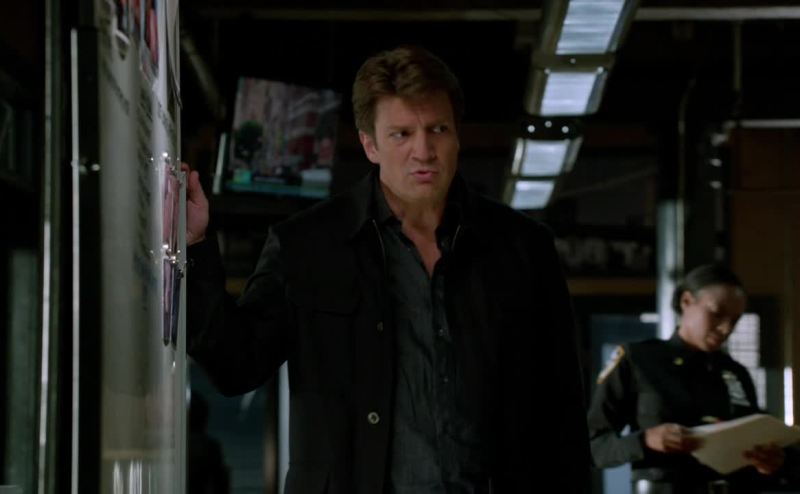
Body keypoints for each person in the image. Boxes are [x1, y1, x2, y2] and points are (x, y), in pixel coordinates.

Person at [184, 45, 590, 493]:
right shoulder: (309, 245)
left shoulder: (523, 248)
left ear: (457, 136)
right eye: (401, 134)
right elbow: (235, 365)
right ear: (370, 145)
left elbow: (565, 414)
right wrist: (196, 245)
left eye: (437, 129)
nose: (424, 151)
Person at [587, 264, 786, 493]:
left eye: (734, 320)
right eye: (717, 314)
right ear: (686, 301)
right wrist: (645, 441)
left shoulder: (735, 372)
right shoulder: (639, 360)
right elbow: (593, 447)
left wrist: (770, 462)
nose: (725, 329)